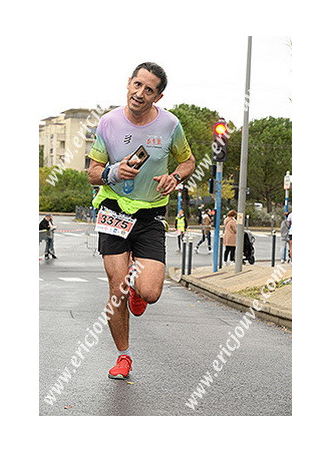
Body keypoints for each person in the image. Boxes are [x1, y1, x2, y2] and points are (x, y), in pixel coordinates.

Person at [87, 62, 195, 379]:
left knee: (150, 293)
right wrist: (113, 172)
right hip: (113, 209)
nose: (140, 93)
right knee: (116, 286)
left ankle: (138, 285)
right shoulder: (108, 123)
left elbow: (188, 162)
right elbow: (93, 173)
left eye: (149, 90)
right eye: (137, 85)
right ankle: (124, 356)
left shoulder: (170, 125)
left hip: (150, 213)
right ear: (129, 83)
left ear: (157, 97)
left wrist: (175, 177)